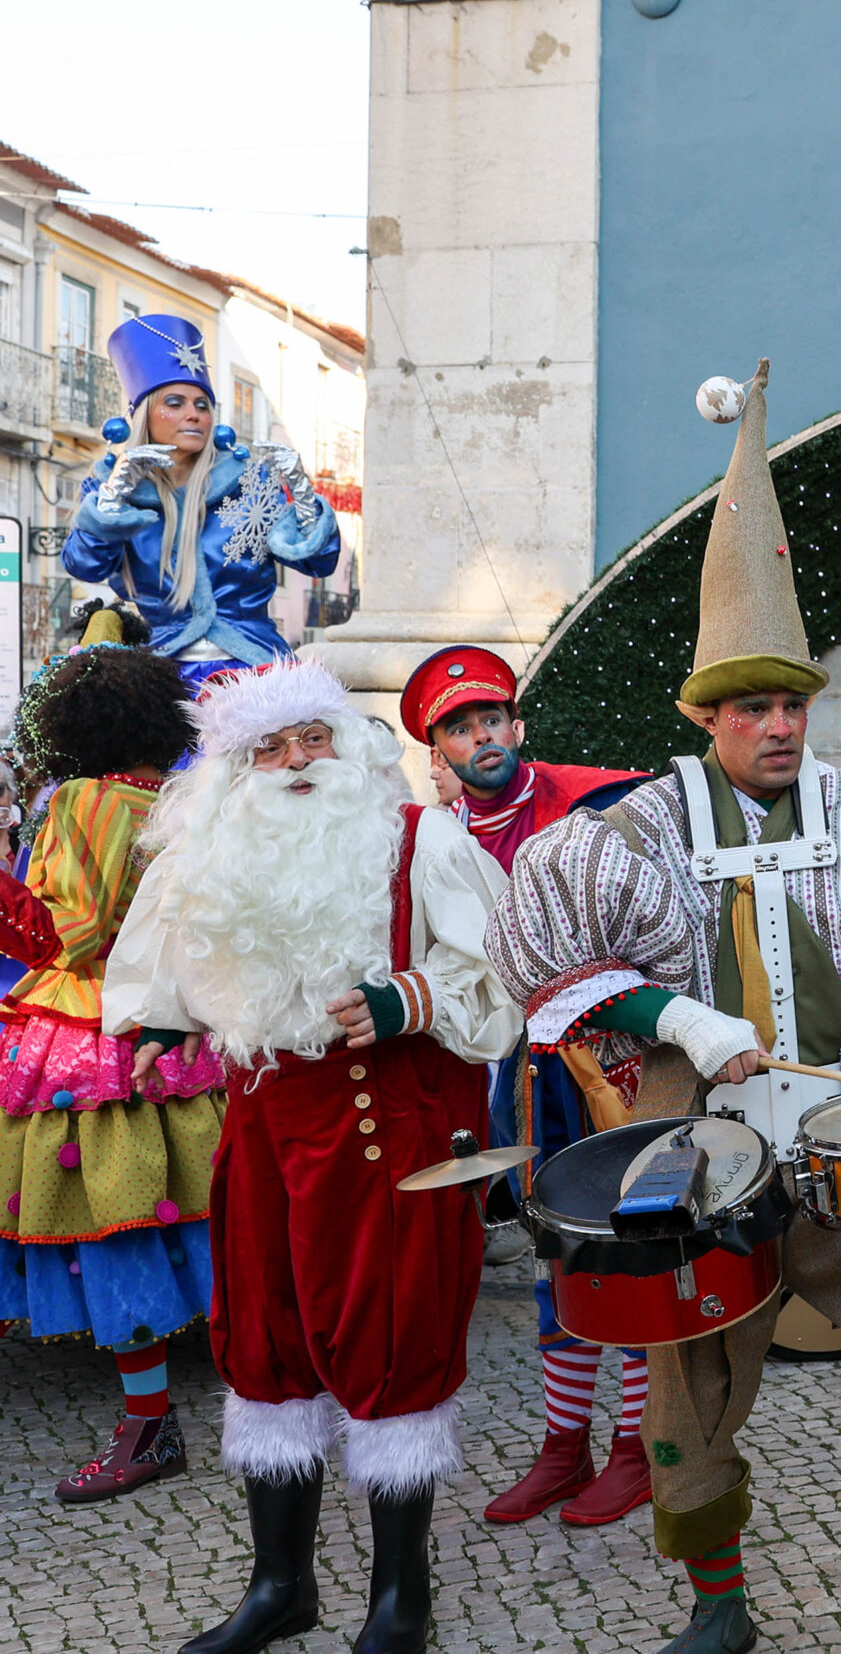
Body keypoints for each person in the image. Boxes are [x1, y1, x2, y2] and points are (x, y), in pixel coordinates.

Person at [486, 361, 841, 1654]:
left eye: (793, 701)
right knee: (689, 1390)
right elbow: (550, 958)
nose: (780, 723)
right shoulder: (642, 824)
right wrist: (677, 1014)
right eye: (754, 705)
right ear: (710, 715)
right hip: (701, 1144)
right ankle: (719, 1618)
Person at [101, 658, 521, 1654]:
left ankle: (398, 1601)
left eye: (312, 738)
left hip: (386, 1135)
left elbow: (499, 975)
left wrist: (404, 998)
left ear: (350, 744)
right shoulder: (206, 859)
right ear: (233, 768)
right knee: (266, 1349)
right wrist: (162, 1025)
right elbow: (160, 968)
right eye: (267, 747)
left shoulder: (420, 844)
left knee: (389, 1347)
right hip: (264, 1130)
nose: (295, 762)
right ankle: (280, 1585)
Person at [397, 645, 655, 1525]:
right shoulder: (431, 839)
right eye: (461, 730)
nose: (483, 738)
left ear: (518, 725)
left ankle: (638, 1449)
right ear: (442, 754)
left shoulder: (602, 801)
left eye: (492, 719)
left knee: (631, 1249)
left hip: (616, 1058)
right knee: (556, 1254)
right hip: (520, 1075)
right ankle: (562, 1447)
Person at [0, 622, 225, 1501]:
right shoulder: (177, 798)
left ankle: (148, 1424)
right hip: (184, 1027)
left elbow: (66, 935)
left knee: (114, 1223)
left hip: (93, 1033)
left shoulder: (80, 802)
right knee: (196, 1214)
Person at [68, 315, 341, 689]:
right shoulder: (109, 489)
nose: (194, 414)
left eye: (202, 404)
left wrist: (302, 492)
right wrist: (116, 495)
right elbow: (85, 565)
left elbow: (318, 561)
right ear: (145, 414)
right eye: (176, 403)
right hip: (163, 683)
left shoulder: (251, 483)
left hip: (257, 674)